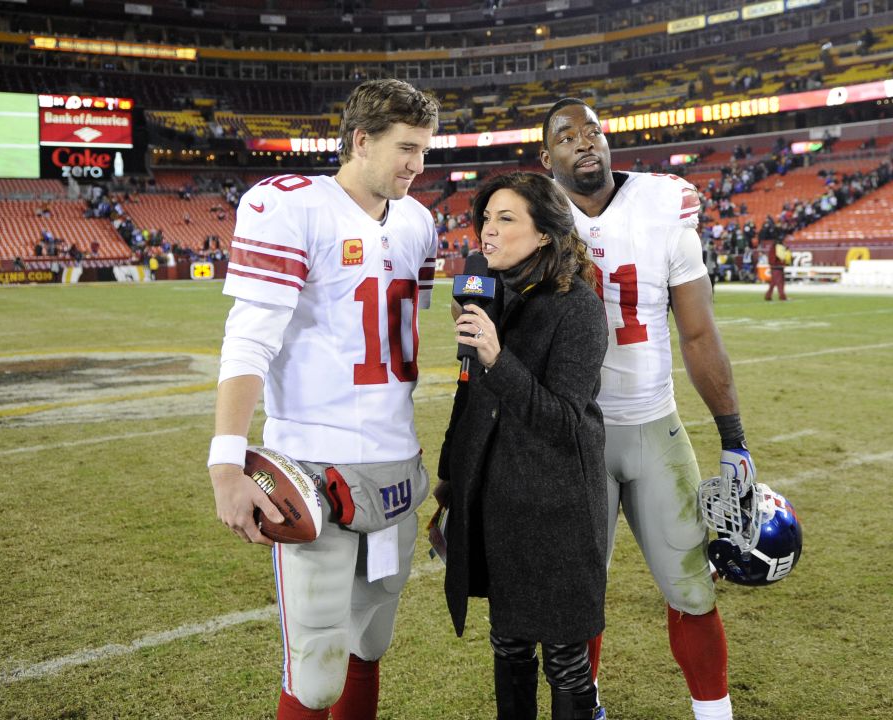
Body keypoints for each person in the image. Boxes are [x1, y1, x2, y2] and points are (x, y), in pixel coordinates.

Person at [206, 78, 440, 720]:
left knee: (370, 646)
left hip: (397, 466)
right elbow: (248, 343)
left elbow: (402, 336)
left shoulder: (418, 222)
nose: (418, 165)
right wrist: (226, 464)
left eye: (424, 150)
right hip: (314, 466)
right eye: (406, 148)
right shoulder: (293, 206)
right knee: (315, 673)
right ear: (360, 142)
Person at [541, 98, 760, 720]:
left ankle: (714, 714)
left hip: (655, 425)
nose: (584, 141)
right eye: (566, 135)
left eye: (593, 130)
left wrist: (734, 437)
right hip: (575, 436)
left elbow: (697, 333)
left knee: (693, 589)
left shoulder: (665, 204)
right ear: (548, 155)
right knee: (578, 599)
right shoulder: (533, 215)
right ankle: (587, 710)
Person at [436, 172, 609, 720]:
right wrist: (451, 477)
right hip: (497, 498)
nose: (488, 232)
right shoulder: (491, 294)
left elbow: (564, 421)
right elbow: (470, 397)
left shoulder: (578, 306)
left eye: (505, 219)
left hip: (556, 508)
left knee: (565, 660)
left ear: (544, 235)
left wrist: (496, 357)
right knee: (507, 643)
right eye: (485, 218)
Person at [765, 236, 791, 301]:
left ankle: (768, 296)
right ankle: (782, 296)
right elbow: (781, 256)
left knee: (773, 283)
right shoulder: (778, 247)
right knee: (780, 282)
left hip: (774, 267)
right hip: (777, 267)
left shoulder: (773, 247)